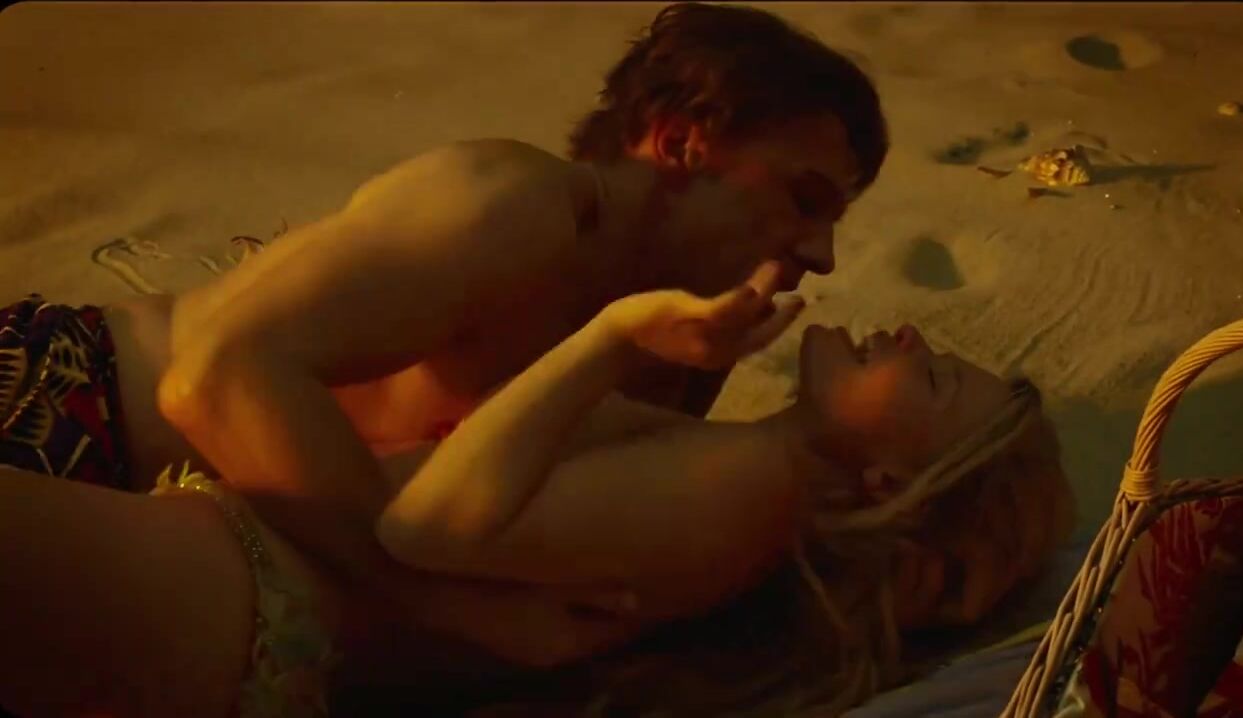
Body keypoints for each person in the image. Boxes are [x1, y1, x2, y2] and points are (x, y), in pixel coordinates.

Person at [4, 0, 890, 682]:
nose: (821, 255)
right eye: (805, 199)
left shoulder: (677, 336)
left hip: (167, 552)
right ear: (682, 142)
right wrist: (433, 605)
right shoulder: (514, 205)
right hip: (61, 399)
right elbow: (215, 379)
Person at [0, 263, 1072, 716]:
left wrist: (610, 340)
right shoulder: (738, 473)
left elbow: (422, 526)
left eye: (932, 378)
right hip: (230, 594)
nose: (911, 335)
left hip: (228, 596)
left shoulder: (743, 487)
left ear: (888, 480)